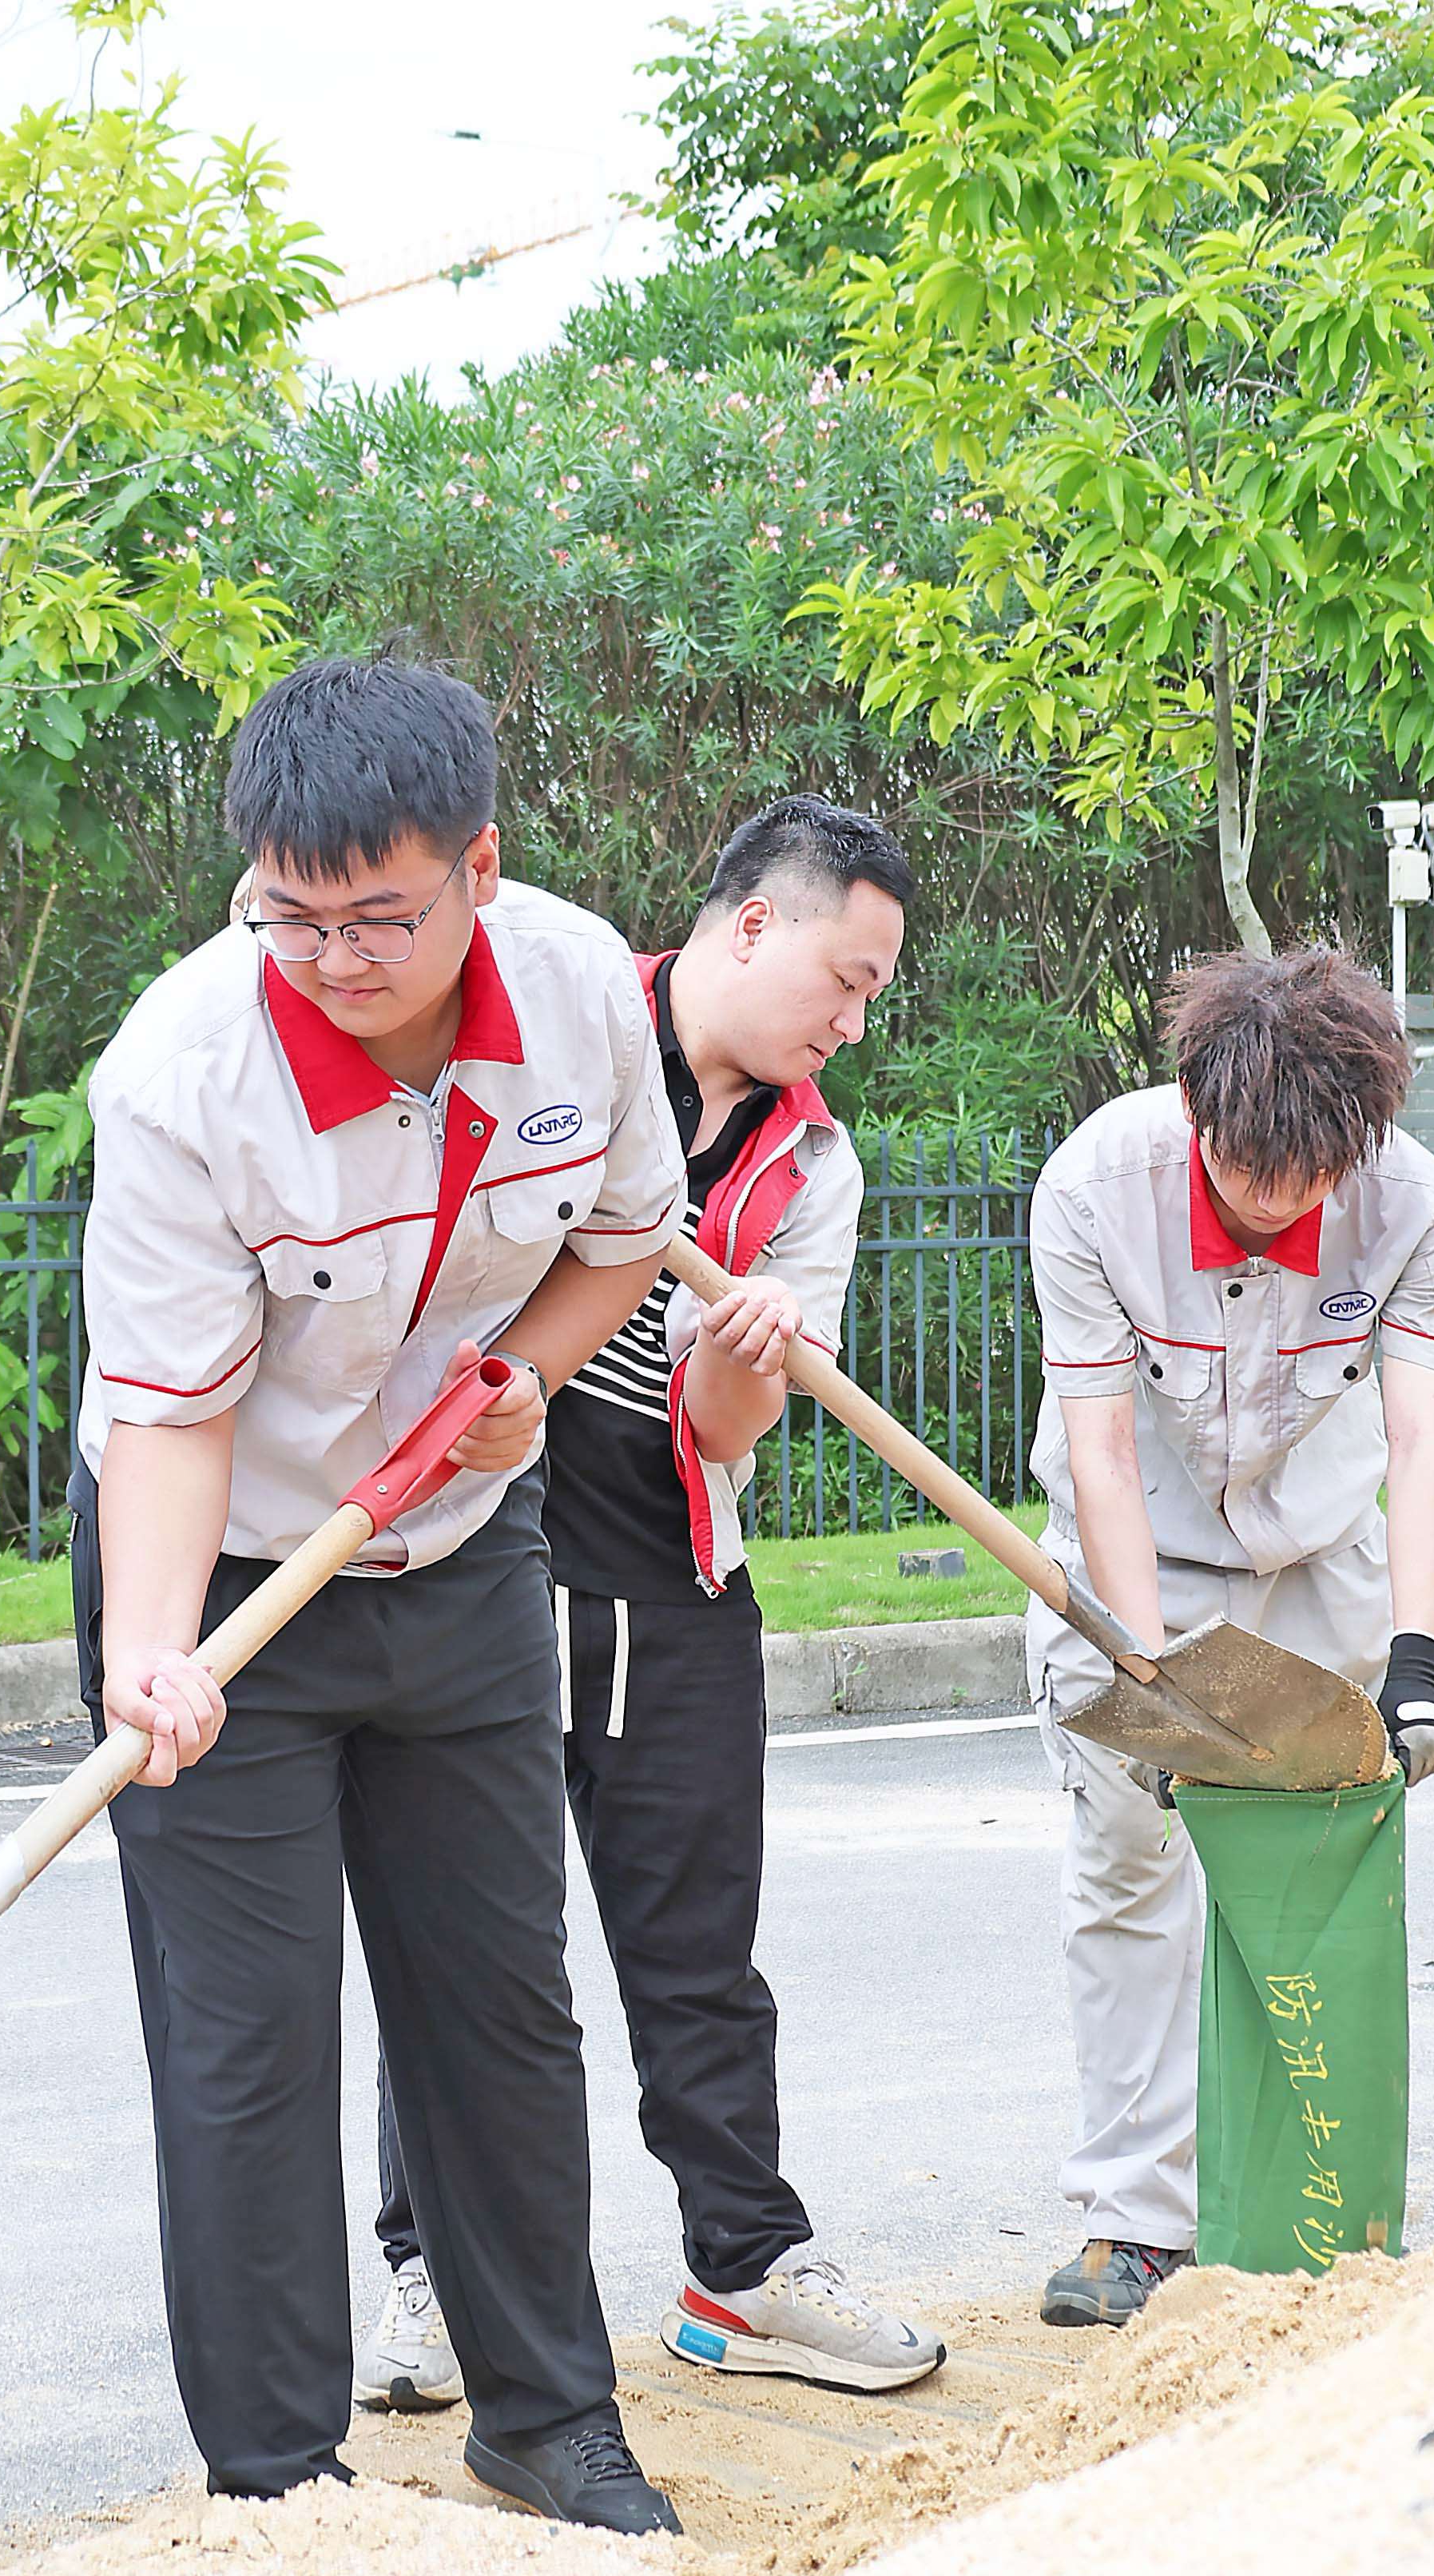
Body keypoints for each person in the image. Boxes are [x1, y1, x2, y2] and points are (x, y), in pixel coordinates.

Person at [76, 649, 693, 2534]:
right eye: (290, 915)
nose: (331, 956)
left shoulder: (583, 993)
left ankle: (547, 2412)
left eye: (377, 918)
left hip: (460, 1547)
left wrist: (524, 1381)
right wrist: (159, 1660)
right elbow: (173, 1419)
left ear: (480, 865)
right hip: (228, 1567)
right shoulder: (187, 1071)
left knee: (497, 2000)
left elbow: (626, 1234)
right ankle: (282, 2481)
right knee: (247, 2038)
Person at [356, 795, 949, 2410]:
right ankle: (432, 2278)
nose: (852, 1016)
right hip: (485, 1528)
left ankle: (743, 2262)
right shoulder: (552, 1026)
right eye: (847, 972)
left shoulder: (812, 1159)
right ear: (750, 922)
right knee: (470, 1937)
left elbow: (727, 1434)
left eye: (876, 994)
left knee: (695, 1942)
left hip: (670, 1558)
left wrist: (746, 1363)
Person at [1022, 946, 1434, 2330]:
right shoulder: (1097, 1190)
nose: (1274, 1201)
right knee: (1129, 1873)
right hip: (1135, 1557)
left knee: (1322, 1876)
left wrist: (1418, 1669)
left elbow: (1419, 1436)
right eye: (1242, 1170)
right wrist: (1156, 1683)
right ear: (1193, 1108)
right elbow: (1099, 1452)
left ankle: (1315, 2200)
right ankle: (1134, 2223)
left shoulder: (1414, 1206)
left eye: (1307, 1178)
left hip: (1320, 1551)